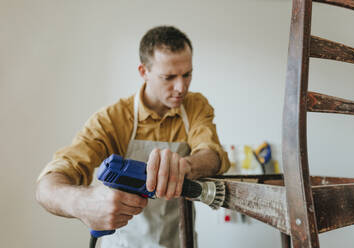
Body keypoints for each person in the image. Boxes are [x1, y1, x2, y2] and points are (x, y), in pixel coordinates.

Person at [36, 25, 230, 248]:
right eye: (168, 77)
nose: (180, 87)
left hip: (179, 242)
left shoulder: (196, 106)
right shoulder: (112, 119)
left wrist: (184, 166)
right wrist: (83, 202)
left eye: (187, 75)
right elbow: (47, 187)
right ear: (143, 72)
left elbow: (212, 154)